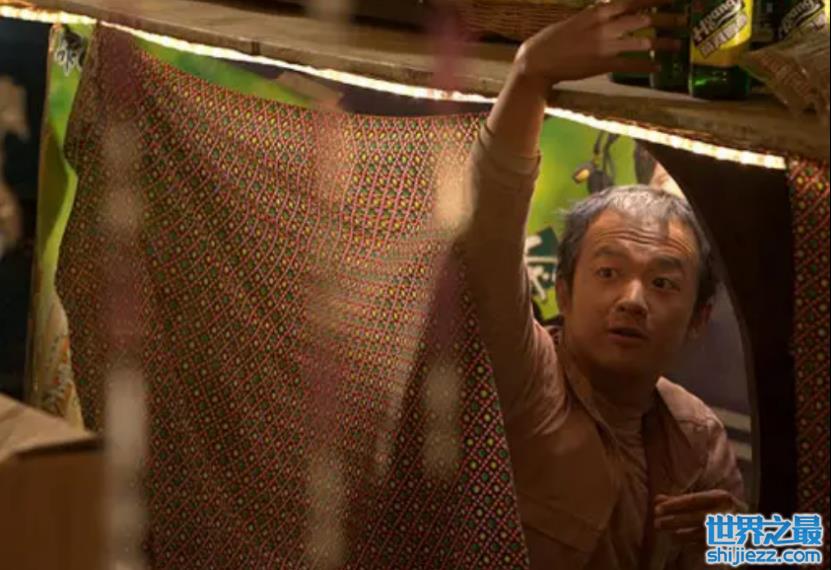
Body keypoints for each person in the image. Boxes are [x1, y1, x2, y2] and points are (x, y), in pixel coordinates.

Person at [461, 0, 745, 568]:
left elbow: (795, 553)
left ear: (698, 318)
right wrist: (530, 72)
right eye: (609, 273)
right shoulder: (527, 380)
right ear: (563, 293)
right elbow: (487, 230)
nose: (633, 301)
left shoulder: (698, 435)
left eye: (663, 283)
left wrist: (743, 539)